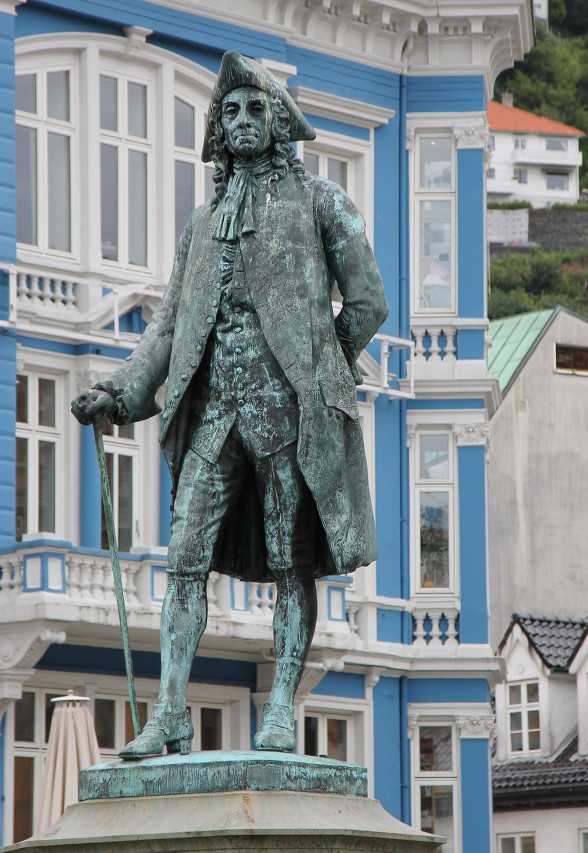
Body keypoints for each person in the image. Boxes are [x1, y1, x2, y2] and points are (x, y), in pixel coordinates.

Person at [72, 51, 388, 759]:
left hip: (287, 416)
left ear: (279, 123)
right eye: (230, 111)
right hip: (215, 412)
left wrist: (317, 368)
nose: (241, 120)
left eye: (255, 109)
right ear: (217, 129)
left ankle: (280, 709)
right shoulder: (201, 221)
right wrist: (122, 391)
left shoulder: (321, 203)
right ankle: (172, 713)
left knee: (289, 561)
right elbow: (167, 326)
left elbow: (368, 301)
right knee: (184, 555)